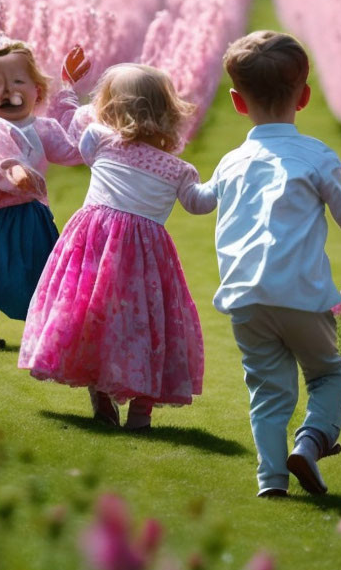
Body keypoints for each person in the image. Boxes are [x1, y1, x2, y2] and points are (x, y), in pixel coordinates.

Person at [202, 30, 341, 496]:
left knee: (268, 391)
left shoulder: (230, 162)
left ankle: (271, 478)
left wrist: (173, 177)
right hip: (302, 295)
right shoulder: (315, 156)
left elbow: (201, 200)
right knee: (328, 373)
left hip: (245, 296)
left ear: (237, 102)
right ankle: (310, 443)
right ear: (304, 97)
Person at [18, 63, 216, 430]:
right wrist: (224, 178)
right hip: (147, 256)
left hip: (96, 240)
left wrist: (68, 88)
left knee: (95, 314)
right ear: (168, 113)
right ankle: (141, 409)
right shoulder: (178, 170)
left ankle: (101, 394)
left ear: (111, 108)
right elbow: (199, 203)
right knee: (145, 322)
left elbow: (75, 125)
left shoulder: (99, 138)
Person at [0, 39, 90, 350]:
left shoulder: (43, 127)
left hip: (31, 213)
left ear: (37, 89)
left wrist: (67, 90)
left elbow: (71, 149)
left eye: (19, 82)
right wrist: (18, 173)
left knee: (40, 271)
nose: (10, 92)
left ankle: (41, 335)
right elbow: (5, 159)